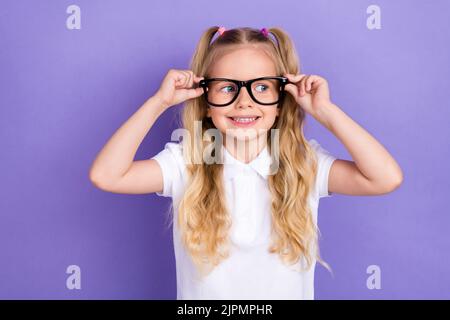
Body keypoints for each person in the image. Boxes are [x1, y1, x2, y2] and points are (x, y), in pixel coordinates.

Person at [89, 26, 403, 300]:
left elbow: (384, 178)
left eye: (262, 87)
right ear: (205, 99)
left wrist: (326, 111)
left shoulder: (300, 162)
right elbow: (107, 176)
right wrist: (159, 102)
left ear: (281, 101)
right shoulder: (191, 160)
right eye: (228, 87)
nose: (245, 101)